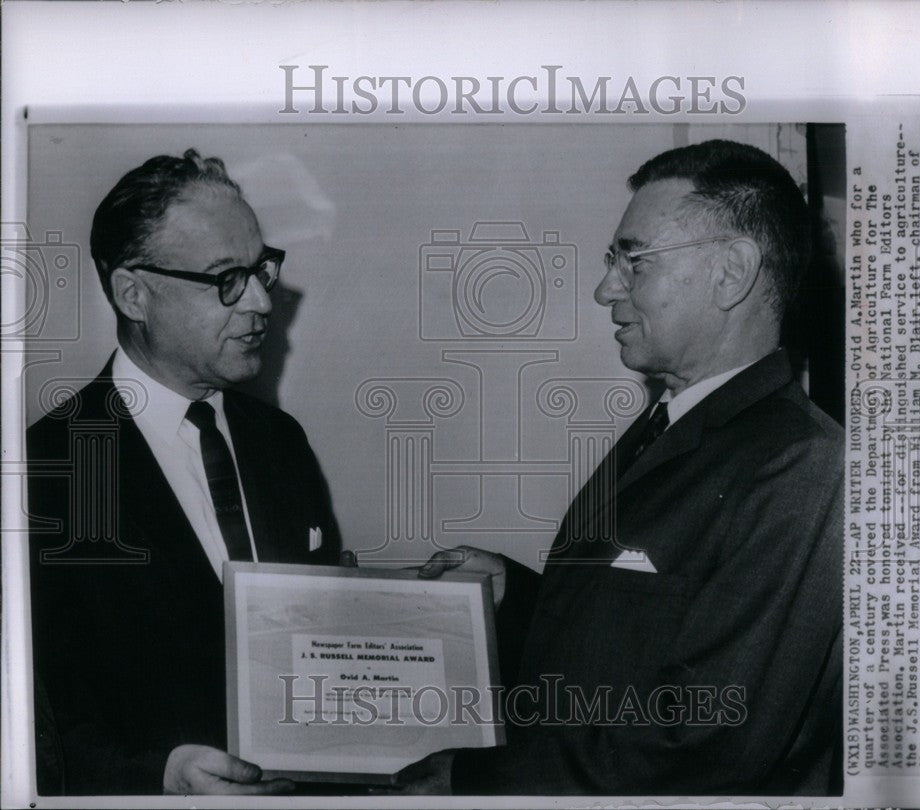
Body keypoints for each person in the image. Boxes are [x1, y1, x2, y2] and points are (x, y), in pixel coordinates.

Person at [417, 139, 844, 795]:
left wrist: (477, 779)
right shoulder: (673, 424)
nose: (604, 288)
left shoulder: (802, 466)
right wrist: (515, 596)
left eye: (633, 261)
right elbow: (645, 630)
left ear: (731, 273)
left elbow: (707, 741)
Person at [27, 149, 343, 796]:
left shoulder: (280, 442)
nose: (260, 300)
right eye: (227, 277)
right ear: (133, 293)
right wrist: (161, 778)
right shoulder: (49, 471)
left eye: (261, 269)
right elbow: (38, 728)